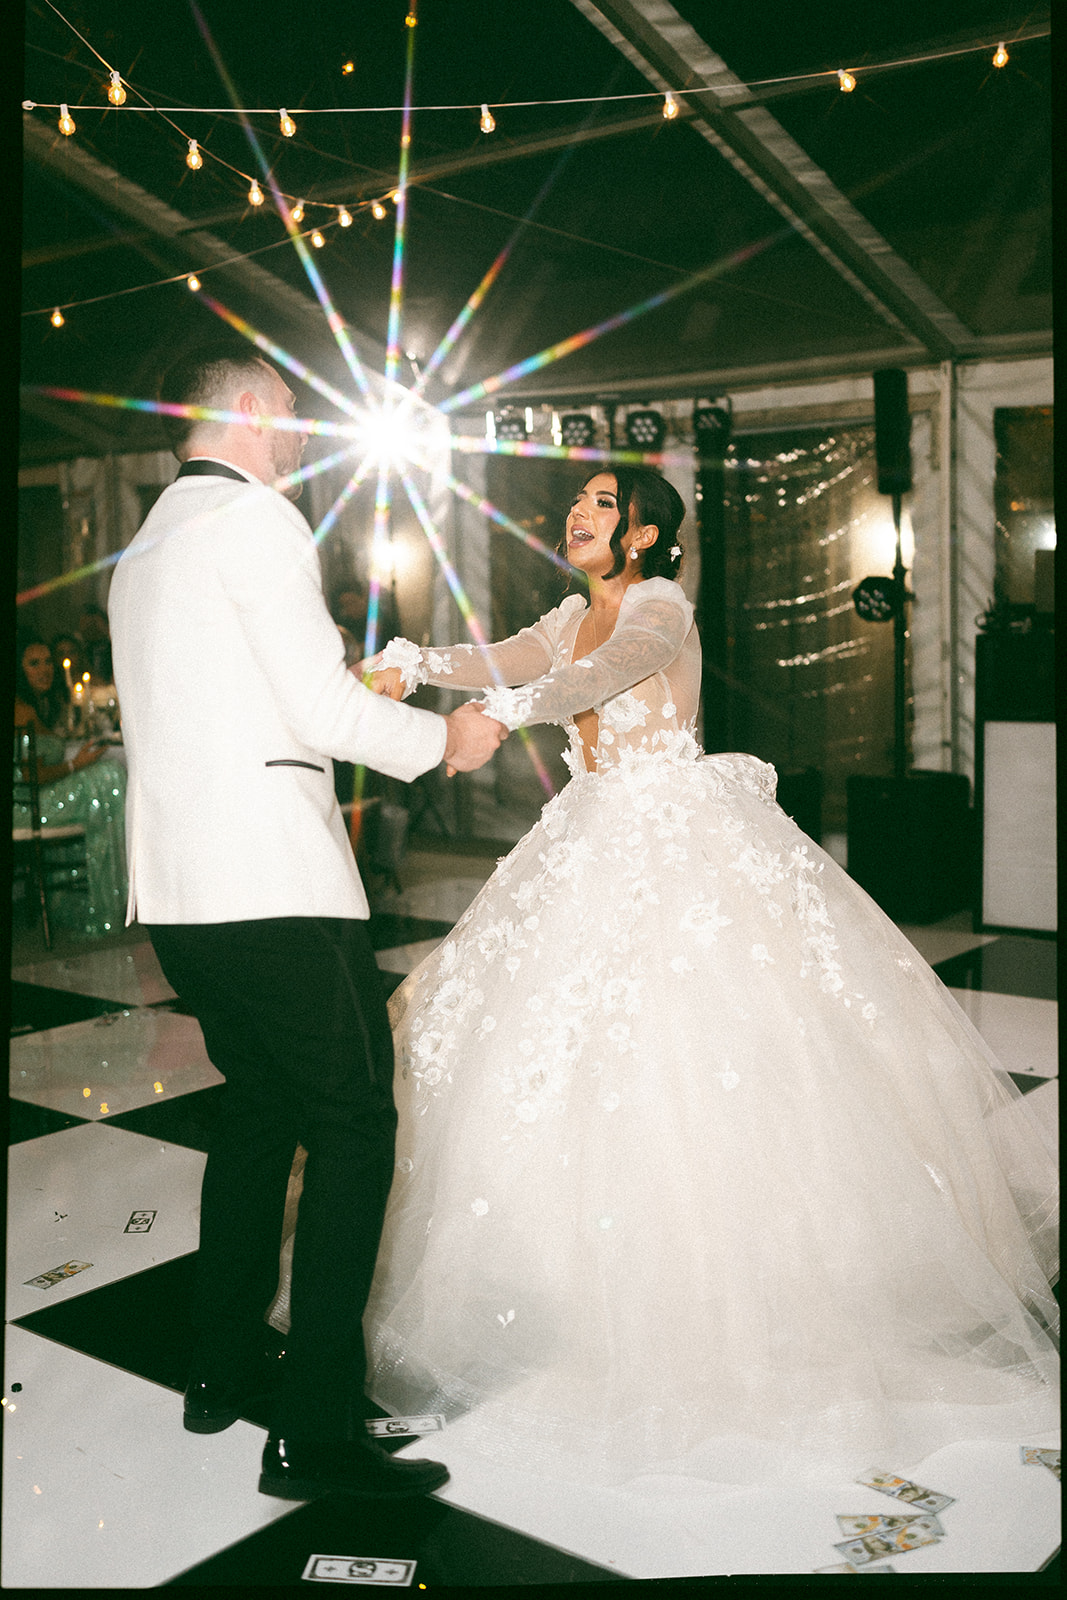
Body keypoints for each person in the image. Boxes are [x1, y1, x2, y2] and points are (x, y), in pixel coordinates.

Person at [355, 467, 1058, 1487]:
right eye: (578, 503)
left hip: (676, 843)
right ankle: (560, 1285)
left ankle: (737, 1293)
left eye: (599, 503)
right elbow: (502, 654)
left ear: (640, 531)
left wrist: (503, 713)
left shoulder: (657, 605)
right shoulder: (567, 611)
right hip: (585, 840)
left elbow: (603, 676)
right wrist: (419, 663)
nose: (578, 516)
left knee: (699, 1052)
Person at [107, 339, 506, 1503]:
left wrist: (351, 696)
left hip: (183, 895)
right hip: (273, 883)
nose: (294, 435)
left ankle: (218, 1366)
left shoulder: (146, 546)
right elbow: (314, 704)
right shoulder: (256, 522)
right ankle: (315, 1433)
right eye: (284, 414)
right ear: (239, 411)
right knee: (352, 1125)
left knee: (258, 1110)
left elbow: (239, 696)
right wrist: (447, 740)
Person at [14, 632, 127, 938]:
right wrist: (77, 765)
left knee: (107, 774)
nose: (45, 669)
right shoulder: (20, 709)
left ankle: (94, 902)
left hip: (37, 799)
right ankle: (104, 906)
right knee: (108, 778)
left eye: (48, 661)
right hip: (23, 807)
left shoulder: (38, 707)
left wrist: (78, 762)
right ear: (18, 669)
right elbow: (28, 776)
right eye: (33, 663)